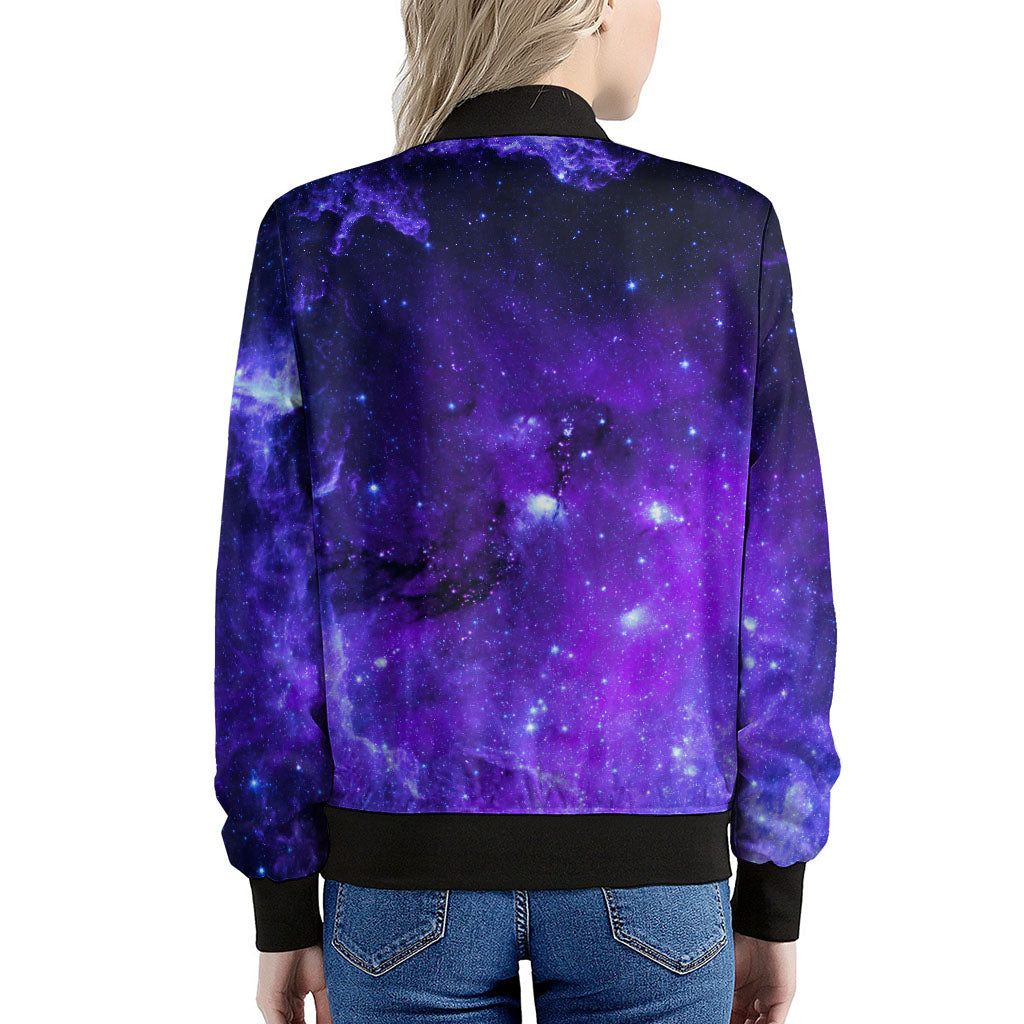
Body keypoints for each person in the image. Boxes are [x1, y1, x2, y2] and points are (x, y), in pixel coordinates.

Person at [212, 1, 840, 1021]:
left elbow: (266, 591)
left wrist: (281, 897)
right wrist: (775, 886)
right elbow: (784, 584)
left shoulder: (320, 230)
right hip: (657, 880)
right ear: (593, 6)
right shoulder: (726, 231)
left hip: (396, 879)